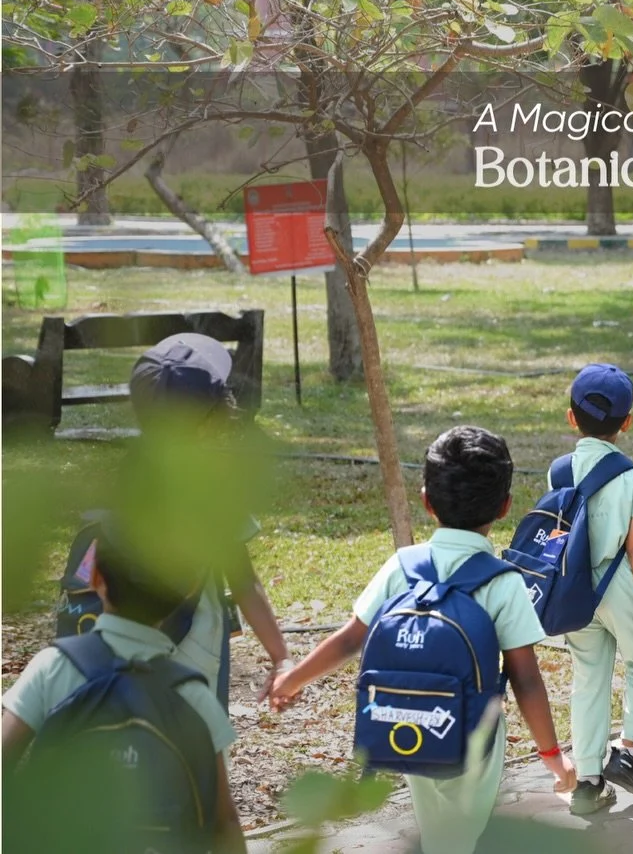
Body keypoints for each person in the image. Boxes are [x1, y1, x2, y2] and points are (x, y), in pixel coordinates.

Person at [269, 426, 577, 854]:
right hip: (473, 736)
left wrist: (293, 679)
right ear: (505, 506)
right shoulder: (503, 582)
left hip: (405, 721)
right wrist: (552, 754)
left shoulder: (403, 566)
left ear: (427, 501)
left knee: (438, 830)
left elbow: (349, 639)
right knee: (462, 835)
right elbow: (525, 680)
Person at [3, 526, 245, 853]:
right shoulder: (194, 697)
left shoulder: (53, 667)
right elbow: (224, 822)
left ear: (95, 577)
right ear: (188, 589)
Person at [127, 333, 292, 707]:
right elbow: (243, 579)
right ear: (217, 414)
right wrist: (281, 656)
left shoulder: (126, 473)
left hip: (123, 644)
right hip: (195, 645)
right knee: (198, 750)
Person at [558, 364, 633, 815]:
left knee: (588, 678)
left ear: (572, 418)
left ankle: (587, 781)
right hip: (619, 581)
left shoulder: (558, 470)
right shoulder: (631, 476)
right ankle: (627, 750)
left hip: (574, 587)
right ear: (627, 422)